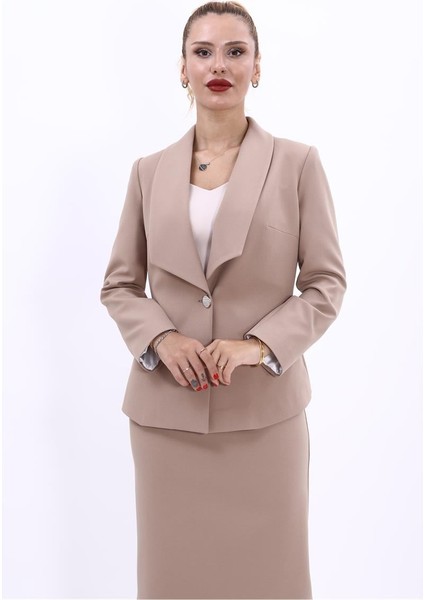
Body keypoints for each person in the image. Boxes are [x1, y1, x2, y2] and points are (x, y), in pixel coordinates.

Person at [100, 2, 346, 598]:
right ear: (182, 68)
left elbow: (325, 284)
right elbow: (120, 284)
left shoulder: (297, 164)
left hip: (264, 417)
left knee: (271, 578)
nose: (219, 65)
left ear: (257, 67)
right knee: (173, 579)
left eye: (236, 51)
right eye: (203, 52)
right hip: (167, 418)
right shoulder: (148, 172)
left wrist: (257, 346)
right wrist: (161, 337)